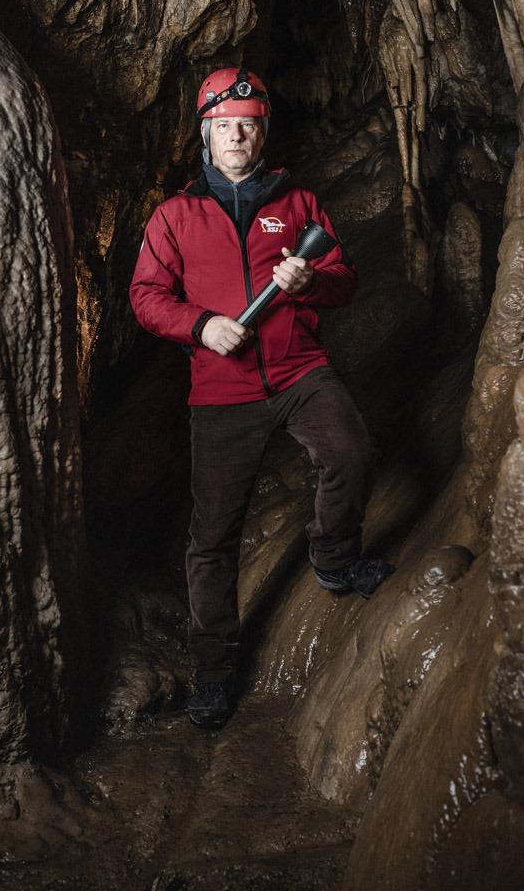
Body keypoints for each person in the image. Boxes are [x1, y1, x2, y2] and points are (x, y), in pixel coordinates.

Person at [129, 67, 394, 729]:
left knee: (353, 451)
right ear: (206, 135)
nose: (237, 134)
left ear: (262, 132)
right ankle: (214, 672)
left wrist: (308, 280)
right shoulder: (175, 216)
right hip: (223, 393)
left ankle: (333, 558)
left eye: (247, 123)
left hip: (301, 370)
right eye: (224, 126)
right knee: (213, 537)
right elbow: (146, 297)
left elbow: (344, 280)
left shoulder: (298, 205)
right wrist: (200, 325)